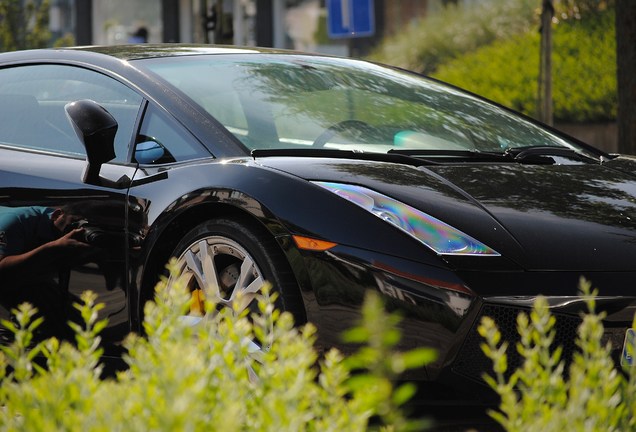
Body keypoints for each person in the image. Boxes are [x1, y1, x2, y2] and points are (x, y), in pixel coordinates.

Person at [0, 205, 91, 342]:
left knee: (75, 315)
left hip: (30, 273)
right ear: (56, 215)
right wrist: (53, 248)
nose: (77, 230)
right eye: (74, 223)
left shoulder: (58, 226)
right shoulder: (16, 222)